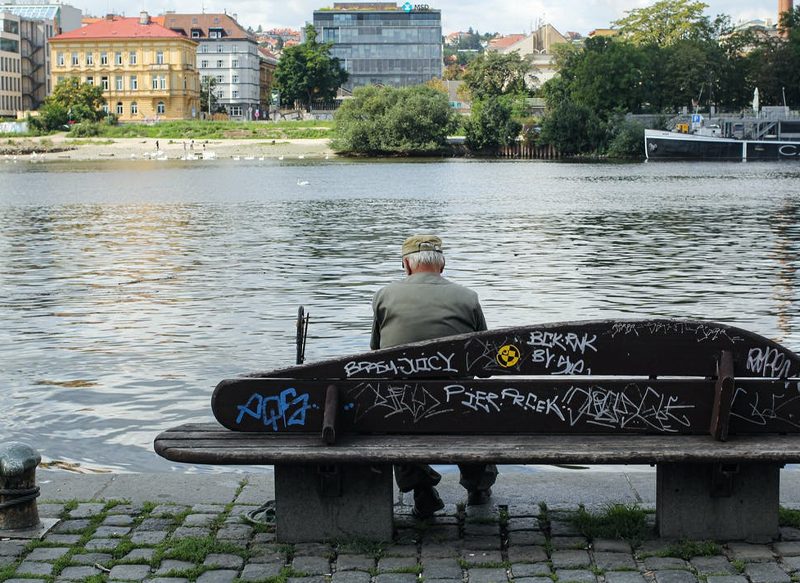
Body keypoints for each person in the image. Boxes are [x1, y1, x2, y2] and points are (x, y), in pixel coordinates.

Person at [371, 234, 498, 518]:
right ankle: (478, 486)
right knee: (471, 403)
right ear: (442, 265)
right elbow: (485, 365)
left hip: (404, 412)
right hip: (459, 409)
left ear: (406, 265)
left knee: (393, 406)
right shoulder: (468, 298)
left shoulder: (384, 297)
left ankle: (422, 489)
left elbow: (376, 355)